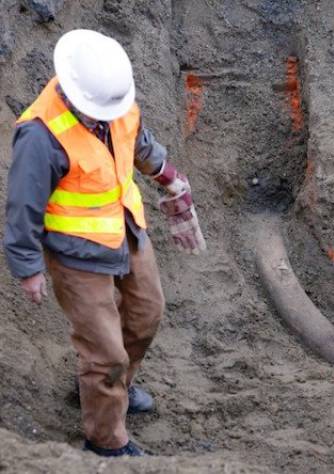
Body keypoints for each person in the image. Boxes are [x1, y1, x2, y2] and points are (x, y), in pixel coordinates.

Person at [3, 29, 206, 456]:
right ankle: (106, 440)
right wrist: (27, 268)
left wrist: (166, 174)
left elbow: (137, 140)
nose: (107, 114)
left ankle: (113, 387)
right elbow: (23, 206)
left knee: (147, 315)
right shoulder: (41, 135)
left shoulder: (113, 99)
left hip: (125, 228)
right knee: (105, 351)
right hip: (76, 254)